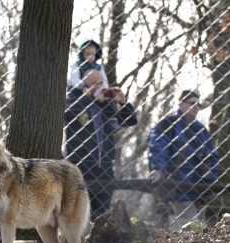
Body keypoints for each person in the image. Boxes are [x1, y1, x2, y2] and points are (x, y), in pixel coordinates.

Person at [64, 69, 137, 219]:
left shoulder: (107, 106)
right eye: (94, 84)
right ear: (85, 85)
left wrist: (123, 103)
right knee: (78, 211)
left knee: (102, 210)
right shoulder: (74, 99)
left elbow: (130, 121)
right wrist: (88, 97)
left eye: (101, 83)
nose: (99, 87)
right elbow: (69, 114)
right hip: (80, 165)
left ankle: (97, 236)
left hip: (104, 165)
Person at [148, 90, 218, 229]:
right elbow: (158, 147)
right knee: (182, 228)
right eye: (192, 103)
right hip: (173, 187)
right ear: (181, 104)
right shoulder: (167, 124)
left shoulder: (200, 130)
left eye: (198, 104)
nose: (196, 107)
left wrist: (210, 180)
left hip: (197, 190)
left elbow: (211, 157)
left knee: (193, 228)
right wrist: (158, 168)